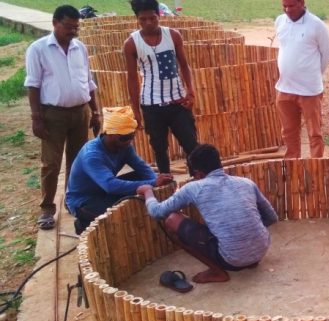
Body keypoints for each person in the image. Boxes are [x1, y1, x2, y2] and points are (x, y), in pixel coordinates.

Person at [137, 144, 279, 283]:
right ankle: (250, 259)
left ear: (198, 173)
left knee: (172, 220)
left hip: (232, 261)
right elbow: (272, 217)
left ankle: (217, 271)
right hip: (261, 250)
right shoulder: (246, 182)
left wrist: (148, 191)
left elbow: (157, 212)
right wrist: (246, 231)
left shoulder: (195, 187)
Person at [24, 4, 102, 230]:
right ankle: (47, 209)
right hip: (52, 115)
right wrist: (36, 117)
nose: (73, 31)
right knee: (51, 163)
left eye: (76, 27)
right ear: (55, 23)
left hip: (80, 111)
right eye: (68, 26)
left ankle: (73, 200)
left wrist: (95, 112)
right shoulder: (38, 49)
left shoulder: (80, 48)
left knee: (78, 161)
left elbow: (88, 82)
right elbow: (33, 85)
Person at [66, 107, 173, 234]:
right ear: (109, 134)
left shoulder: (125, 146)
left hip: (105, 190)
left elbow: (142, 168)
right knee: (123, 209)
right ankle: (83, 222)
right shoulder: (92, 155)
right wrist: (152, 184)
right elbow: (110, 185)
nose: (128, 142)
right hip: (85, 200)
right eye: (123, 138)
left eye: (131, 136)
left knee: (141, 181)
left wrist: (156, 182)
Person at [124, 0, 198, 174]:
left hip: (178, 102)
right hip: (151, 105)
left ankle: (198, 181)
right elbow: (132, 78)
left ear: (159, 15)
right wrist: (136, 110)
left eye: (152, 18)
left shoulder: (173, 35)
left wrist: (191, 92)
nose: (148, 23)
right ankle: (166, 184)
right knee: (159, 148)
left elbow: (184, 66)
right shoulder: (131, 43)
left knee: (191, 145)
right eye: (143, 19)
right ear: (137, 19)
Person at [275, 0, 329, 159]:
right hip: (284, 89)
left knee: (314, 133)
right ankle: (293, 170)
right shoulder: (280, 21)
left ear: (302, 3)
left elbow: (327, 55)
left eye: (291, 5)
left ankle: (316, 169)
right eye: (284, 6)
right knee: (288, 133)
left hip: (310, 91)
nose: (287, 9)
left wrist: (312, 74)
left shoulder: (317, 25)